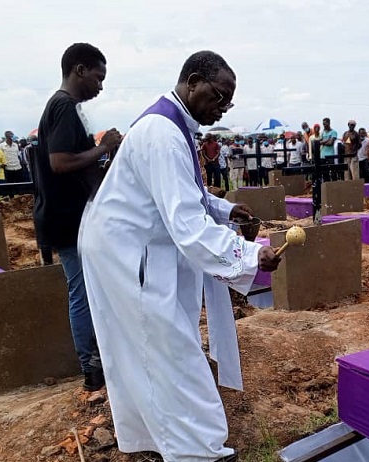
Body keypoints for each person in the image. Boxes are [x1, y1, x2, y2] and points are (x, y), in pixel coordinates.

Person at [80, 50, 280, 462]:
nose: (221, 107)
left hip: (133, 247)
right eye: (217, 96)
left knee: (150, 348)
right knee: (168, 349)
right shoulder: (163, 131)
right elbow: (185, 221)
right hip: (127, 253)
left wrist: (225, 209)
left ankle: (160, 438)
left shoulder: (175, 126)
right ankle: (200, 451)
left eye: (228, 102)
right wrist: (247, 254)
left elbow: (184, 191)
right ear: (192, 81)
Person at [33, 43, 122, 391]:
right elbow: (59, 162)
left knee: (85, 288)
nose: (100, 87)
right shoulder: (63, 106)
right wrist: (103, 146)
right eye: (98, 78)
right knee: (82, 291)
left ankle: (96, 359)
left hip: (67, 215)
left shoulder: (64, 108)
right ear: (79, 70)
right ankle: (91, 366)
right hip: (66, 219)